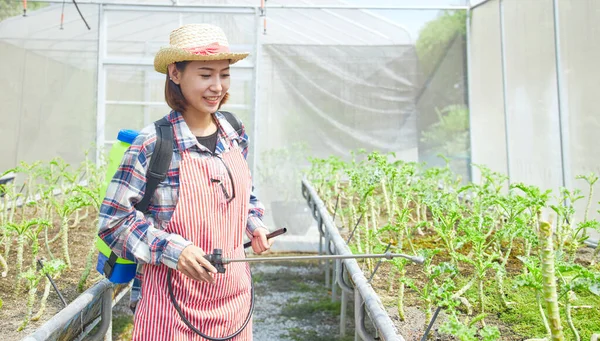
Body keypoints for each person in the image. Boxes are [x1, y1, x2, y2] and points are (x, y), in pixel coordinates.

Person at [97, 23, 273, 341]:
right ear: (175, 74)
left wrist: (254, 223)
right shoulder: (155, 144)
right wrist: (173, 250)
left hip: (235, 301)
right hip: (172, 309)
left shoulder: (235, 131)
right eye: (206, 75)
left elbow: (243, 193)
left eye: (224, 74)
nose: (217, 86)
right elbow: (113, 223)